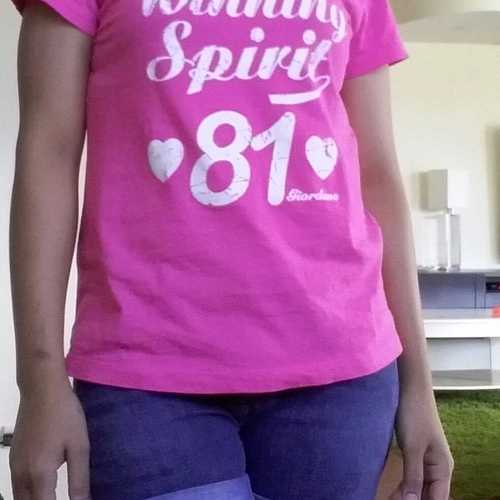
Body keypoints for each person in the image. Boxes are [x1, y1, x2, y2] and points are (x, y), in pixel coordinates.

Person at [7, 0, 454, 499]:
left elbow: (377, 176)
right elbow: (47, 153)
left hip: (342, 368)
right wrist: (39, 382)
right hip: (146, 370)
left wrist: (420, 386)